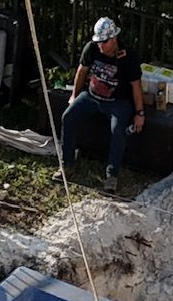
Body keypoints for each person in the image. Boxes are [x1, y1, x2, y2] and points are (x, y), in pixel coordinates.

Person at [61, 17, 145, 193]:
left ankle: (111, 175)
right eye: (98, 42)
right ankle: (67, 164)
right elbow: (81, 71)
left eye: (104, 42)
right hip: (91, 96)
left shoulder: (128, 56)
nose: (101, 46)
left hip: (118, 102)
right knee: (68, 117)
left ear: (114, 39)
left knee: (117, 130)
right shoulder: (91, 48)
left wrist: (140, 112)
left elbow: (136, 85)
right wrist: (74, 96)